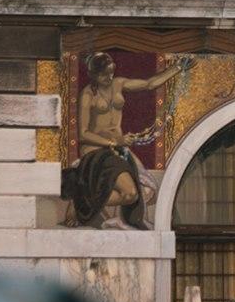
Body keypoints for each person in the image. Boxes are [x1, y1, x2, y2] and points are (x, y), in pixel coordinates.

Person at [62, 52, 185, 229]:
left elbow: (149, 84)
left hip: (117, 150)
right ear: (93, 75)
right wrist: (114, 143)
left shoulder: (118, 83)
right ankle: (80, 200)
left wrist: (177, 68)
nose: (109, 77)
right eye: (104, 74)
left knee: (142, 191)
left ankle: (83, 197)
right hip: (96, 151)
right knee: (130, 193)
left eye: (111, 72)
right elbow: (83, 134)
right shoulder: (87, 95)